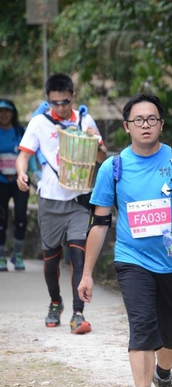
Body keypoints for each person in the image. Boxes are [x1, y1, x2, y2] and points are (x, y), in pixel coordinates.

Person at [77, 92, 172, 387]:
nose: (145, 125)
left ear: (161, 124)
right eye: (138, 120)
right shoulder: (113, 167)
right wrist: (87, 273)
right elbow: (99, 222)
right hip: (132, 259)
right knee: (142, 326)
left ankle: (164, 375)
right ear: (126, 126)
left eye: (151, 119)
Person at [16, 73, 107, 333]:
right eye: (54, 102)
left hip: (79, 199)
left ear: (72, 97)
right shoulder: (39, 123)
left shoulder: (85, 120)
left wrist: (94, 141)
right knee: (50, 261)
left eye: (65, 102)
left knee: (78, 255)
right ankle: (55, 302)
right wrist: (21, 174)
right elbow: (24, 156)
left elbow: (102, 157)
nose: (60, 107)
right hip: (50, 200)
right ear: (48, 100)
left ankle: (78, 314)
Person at [0, 99, 40, 271]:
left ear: (12, 113)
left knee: (21, 216)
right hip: (1, 182)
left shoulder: (20, 132)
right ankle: (1, 256)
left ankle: (17, 254)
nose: (4, 115)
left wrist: (35, 173)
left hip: (20, 180)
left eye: (7, 111)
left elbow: (27, 155)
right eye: (1, 112)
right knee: (1, 218)